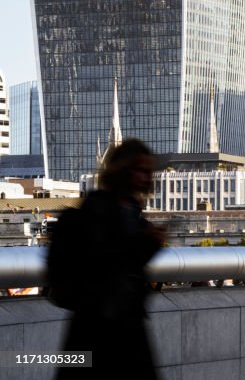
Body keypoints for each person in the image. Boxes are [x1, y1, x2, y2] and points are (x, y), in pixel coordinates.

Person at [58, 138, 164, 379]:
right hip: (100, 331)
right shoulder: (96, 211)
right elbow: (104, 262)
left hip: (125, 328)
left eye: (150, 171)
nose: (148, 178)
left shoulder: (132, 213)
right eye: (142, 170)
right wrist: (144, 244)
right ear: (123, 171)